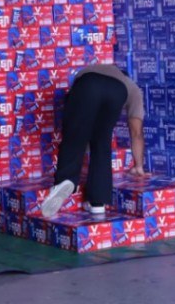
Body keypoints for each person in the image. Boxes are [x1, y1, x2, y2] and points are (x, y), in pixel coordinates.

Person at [40, 64, 147, 218]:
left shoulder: (91, 69)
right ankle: (98, 202)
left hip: (88, 84)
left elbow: (77, 121)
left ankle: (65, 180)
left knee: (75, 134)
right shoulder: (133, 89)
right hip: (118, 91)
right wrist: (139, 166)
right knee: (103, 142)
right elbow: (136, 132)